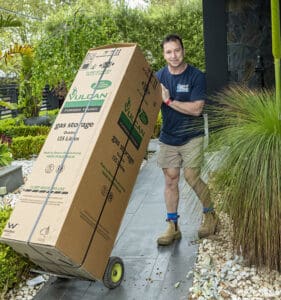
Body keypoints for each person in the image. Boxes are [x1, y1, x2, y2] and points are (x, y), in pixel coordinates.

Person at [155, 34, 218, 246]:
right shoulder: (158, 78)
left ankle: (210, 214)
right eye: (169, 52)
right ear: (163, 55)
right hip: (168, 137)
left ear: (183, 50)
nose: (174, 55)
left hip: (192, 135)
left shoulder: (196, 76)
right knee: (170, 179)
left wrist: (169, 101)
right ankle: (172, 226)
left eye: (177, 50)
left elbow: (197, 109)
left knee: (191, 176)